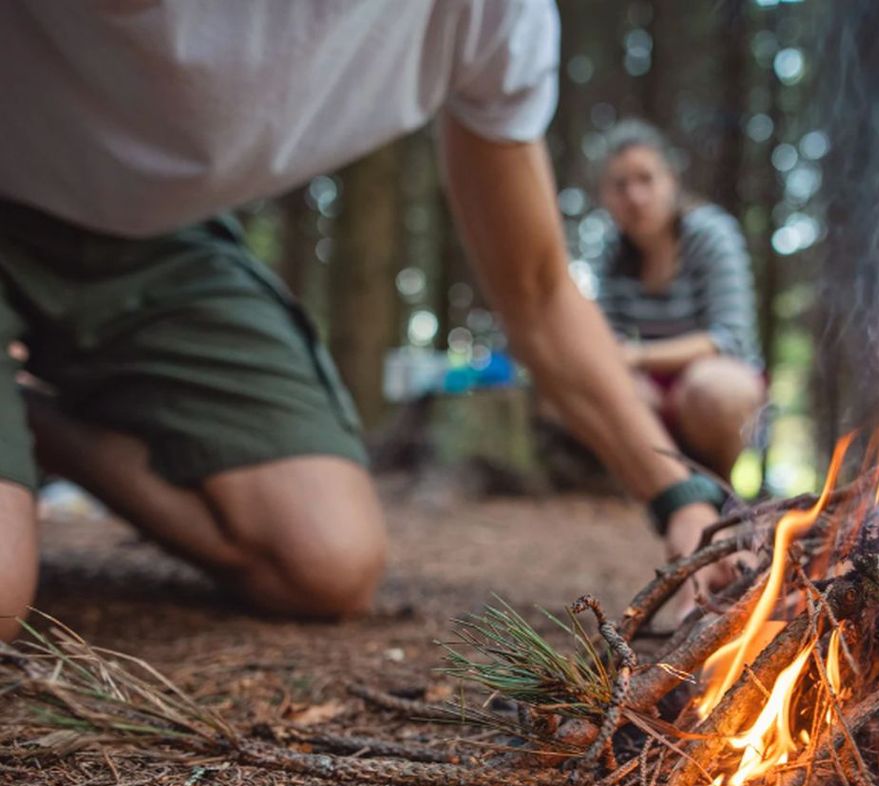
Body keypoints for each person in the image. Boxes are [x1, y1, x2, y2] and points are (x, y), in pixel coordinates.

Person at [0, 1, 734, 643]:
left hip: (159, 239)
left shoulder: (488, 15)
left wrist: (681, 495)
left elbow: (538, 290)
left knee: (324, 558)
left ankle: (34, 423)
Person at [593, 120, 766, 482]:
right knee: (604, 391)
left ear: (671, 181)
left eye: (646, 179)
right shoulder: (612, 253)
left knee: (713, 390)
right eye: (620, 186)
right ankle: (659, 490)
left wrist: (639, 356)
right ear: (605, 196)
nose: (635, 197)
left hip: (717, 387)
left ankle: (721, 491)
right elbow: (610, 341)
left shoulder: (710, 235)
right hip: (653, 392)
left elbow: (729, 340)